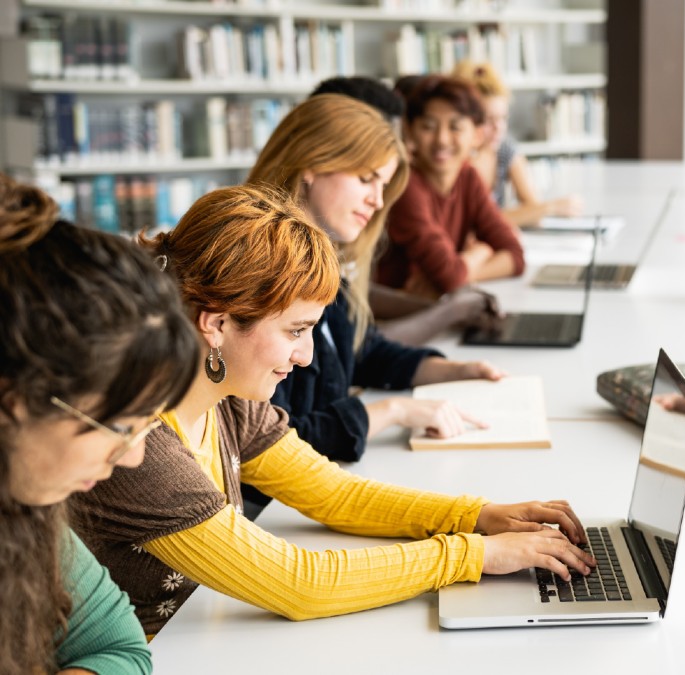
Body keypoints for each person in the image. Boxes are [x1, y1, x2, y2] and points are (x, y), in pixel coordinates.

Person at [72, 184, 595, 636]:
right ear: (217, 323)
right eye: (295, 331)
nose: (306, 356)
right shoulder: (139, 444)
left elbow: (334, 494)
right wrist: (474, 555)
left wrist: (480, 516)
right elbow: (297, 583)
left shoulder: (226, 396)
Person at [0, 173, 198, 672]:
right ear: (13, 400)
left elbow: (119, 649)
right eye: (119, 425)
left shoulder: (28, 511)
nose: (132, 455)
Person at [246, 94, 502, 469]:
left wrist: (457, 372)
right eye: (366, 179)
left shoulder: (317, 256)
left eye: (383, 185)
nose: (378, 201)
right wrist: (393, 412)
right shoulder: (262, 271)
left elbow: (362, 350)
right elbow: (271, 441)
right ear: (312, 165)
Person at [305, 76, 503, 342]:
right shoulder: (280, 248)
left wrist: (442, 307)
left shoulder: (330, 224)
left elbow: (349, 295)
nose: (409, 151)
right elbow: (355, 347)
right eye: (366, 177)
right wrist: (450, 308)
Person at [375, 75, 526, 298]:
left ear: (477, 135)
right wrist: (481, 251)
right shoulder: (404, 184)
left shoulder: (467, 176)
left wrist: (463, 271)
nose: (442, 140)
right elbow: (450, 276)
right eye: (428, 126)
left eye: (455, 127)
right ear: (409, 129)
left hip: (437, 309)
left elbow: (516, 257)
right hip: (398, 316)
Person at [451, 60, 583, 228]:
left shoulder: (504, 149)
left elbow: (533, 209)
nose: (498, 128)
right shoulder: (453, 158)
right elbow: (473, 222)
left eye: (503, 118)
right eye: (488, 120)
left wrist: (539, 210)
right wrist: (550, 207)